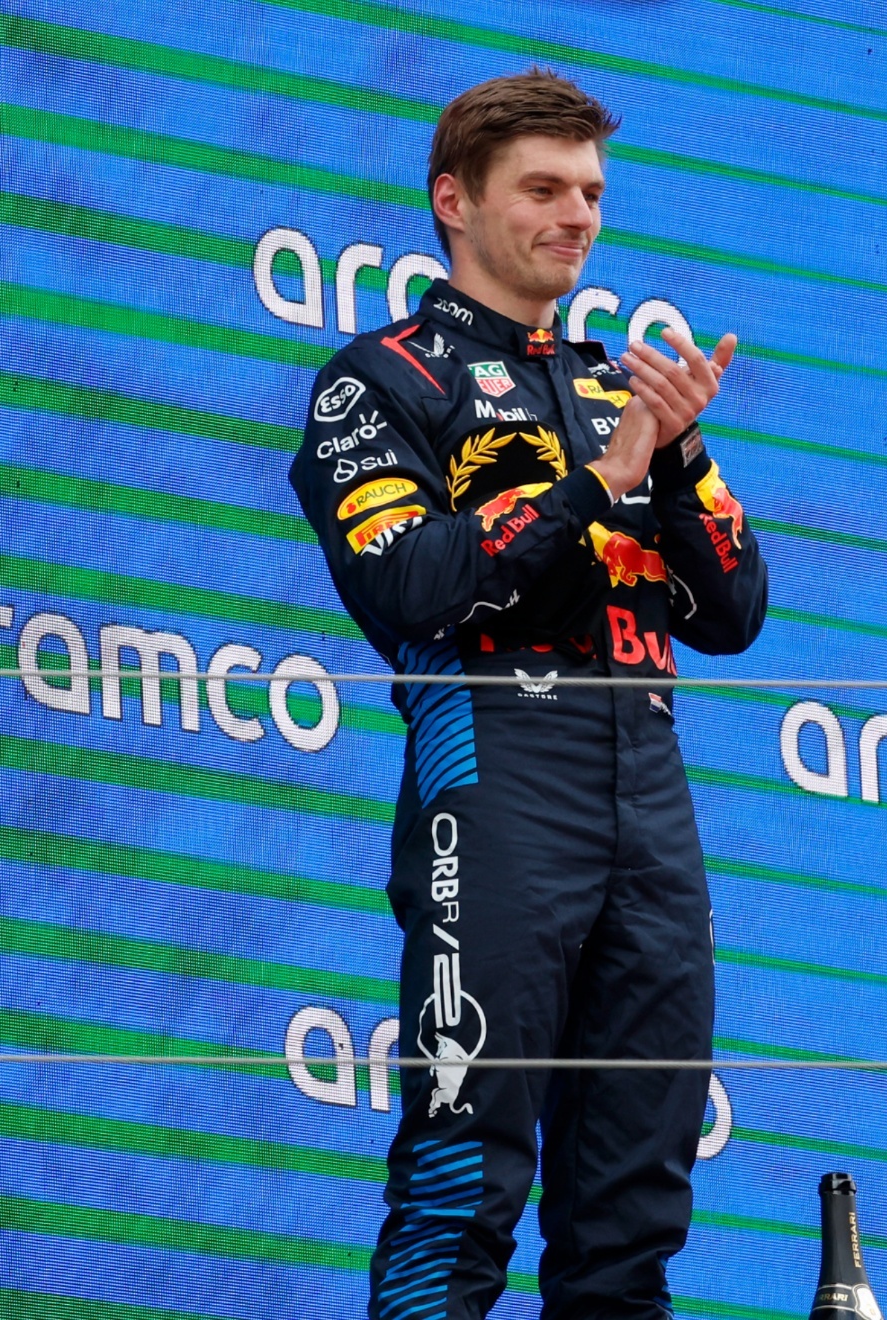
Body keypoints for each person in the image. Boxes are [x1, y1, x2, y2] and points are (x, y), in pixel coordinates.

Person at [287, 70, 767, 1320]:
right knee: (462, 1182)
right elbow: (410, 583)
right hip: (496, 774)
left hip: (650, 794)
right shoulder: (382, 381)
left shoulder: (625, 387)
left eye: (593, 193)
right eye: (544, 189)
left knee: (633, 1215)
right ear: (455, 201)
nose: (579, 216)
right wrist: (598, 482)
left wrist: (681, 453)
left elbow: (734, 613)